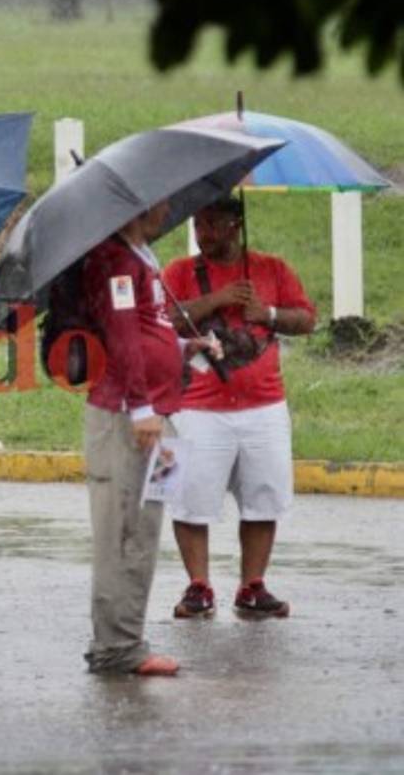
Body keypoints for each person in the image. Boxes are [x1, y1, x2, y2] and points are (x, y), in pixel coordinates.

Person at [162, 196, 315, 619]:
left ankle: (253, 585)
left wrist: (265, 312)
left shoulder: (273, 269)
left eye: (213, 224)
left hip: (264, 405)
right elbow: (162, 322)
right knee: (189, 499)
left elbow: (307, 319)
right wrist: (217, 299)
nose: (204, 233)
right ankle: (198, 585)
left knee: (264, 497)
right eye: (198, 224)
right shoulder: (178, 272)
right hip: (194, 407)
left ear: (237, 225)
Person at [80, 199, 216, 676]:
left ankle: (129, 635)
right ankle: (116, 645)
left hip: (163, 415)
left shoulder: (143, 256)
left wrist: (183, 347)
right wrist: (140, 405)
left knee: (148, 525)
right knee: (123, 530)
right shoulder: (115, 260)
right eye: (161, 201)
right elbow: (120, 337)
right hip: (132, 418)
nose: (170, 207)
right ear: (138, 205)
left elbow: (148, 326)